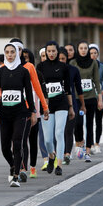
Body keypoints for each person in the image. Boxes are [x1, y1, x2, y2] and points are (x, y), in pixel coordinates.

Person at [0, 43, 36, 187]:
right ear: (4, 54)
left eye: (12, 52)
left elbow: (29, 92)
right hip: (5, 113)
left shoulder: (23, 71)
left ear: (17, 54)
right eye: (7, 52)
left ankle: (16, 175)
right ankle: (12, 165)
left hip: (20, 112)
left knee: (17, 143)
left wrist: (33, 111)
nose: (10, 54)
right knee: (5, 147)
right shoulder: (0, 72)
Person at [37, 41, 75, 175]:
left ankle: (59, 165)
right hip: (46, 105)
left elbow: (68, 89)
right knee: (47, 139)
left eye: (54, 51)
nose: (51, 54)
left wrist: (71, 107)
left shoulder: (63, 67)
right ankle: (51, 156)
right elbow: (39, 89)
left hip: (61, 103)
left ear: (57, 52)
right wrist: (42, 106)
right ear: (45, 52)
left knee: (59, 133)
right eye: (49, 51)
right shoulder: (40, 66)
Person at [70, 41, 103, 162]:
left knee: (90, 124)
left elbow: (96, 81)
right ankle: (79, 142)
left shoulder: (93, 63)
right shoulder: (73, 63)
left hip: (90, 98)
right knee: (78, 122)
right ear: (78, 50)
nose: (83, 50)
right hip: (77, 98)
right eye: (81, 48)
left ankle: (88, 151)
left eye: (85, 48)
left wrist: (100, 99)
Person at [21, 48, 49, 179]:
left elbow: (42, 92)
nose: (25, 59)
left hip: (34, 113)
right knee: (21, 142)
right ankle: (22, 167)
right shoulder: (17, 72)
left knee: (32, 141)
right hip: (21, 112)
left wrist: (44, 108)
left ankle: (31, 167)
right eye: (23, 57)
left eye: (27, 57)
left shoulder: (36, 73)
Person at [58, 47, 85, 165]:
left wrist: (82, 105)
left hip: (71, 104)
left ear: (67, 58)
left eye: (63, 58)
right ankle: (59, 153)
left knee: (69, 130)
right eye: (59, 59)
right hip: (57, 103)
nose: (61, 61)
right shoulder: (52, 70)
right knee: (60, 131)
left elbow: (79, 89)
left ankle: (67, 154)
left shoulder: (73, 70)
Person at [89, 44, 103, 154]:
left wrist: (101, 93)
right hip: (89, 97)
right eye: (91, 53)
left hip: (100, 97)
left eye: (95, 53)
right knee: (89, 121)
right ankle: (90, 143)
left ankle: (97, 143)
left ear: (98, 54)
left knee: (99, 121)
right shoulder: (86, 66)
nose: (93, 55)